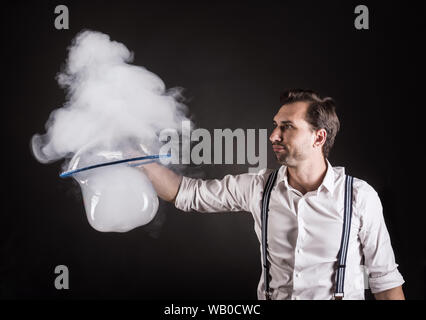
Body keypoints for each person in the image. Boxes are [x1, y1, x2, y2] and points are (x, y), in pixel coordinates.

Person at [137, 89, 405, 300]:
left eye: (287, 126)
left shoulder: (359, 196)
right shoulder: (258, 187)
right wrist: (137, 159)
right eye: (276, 125)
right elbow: (186, 193)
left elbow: (385, 282)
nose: (273, 135)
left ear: (319, 137)